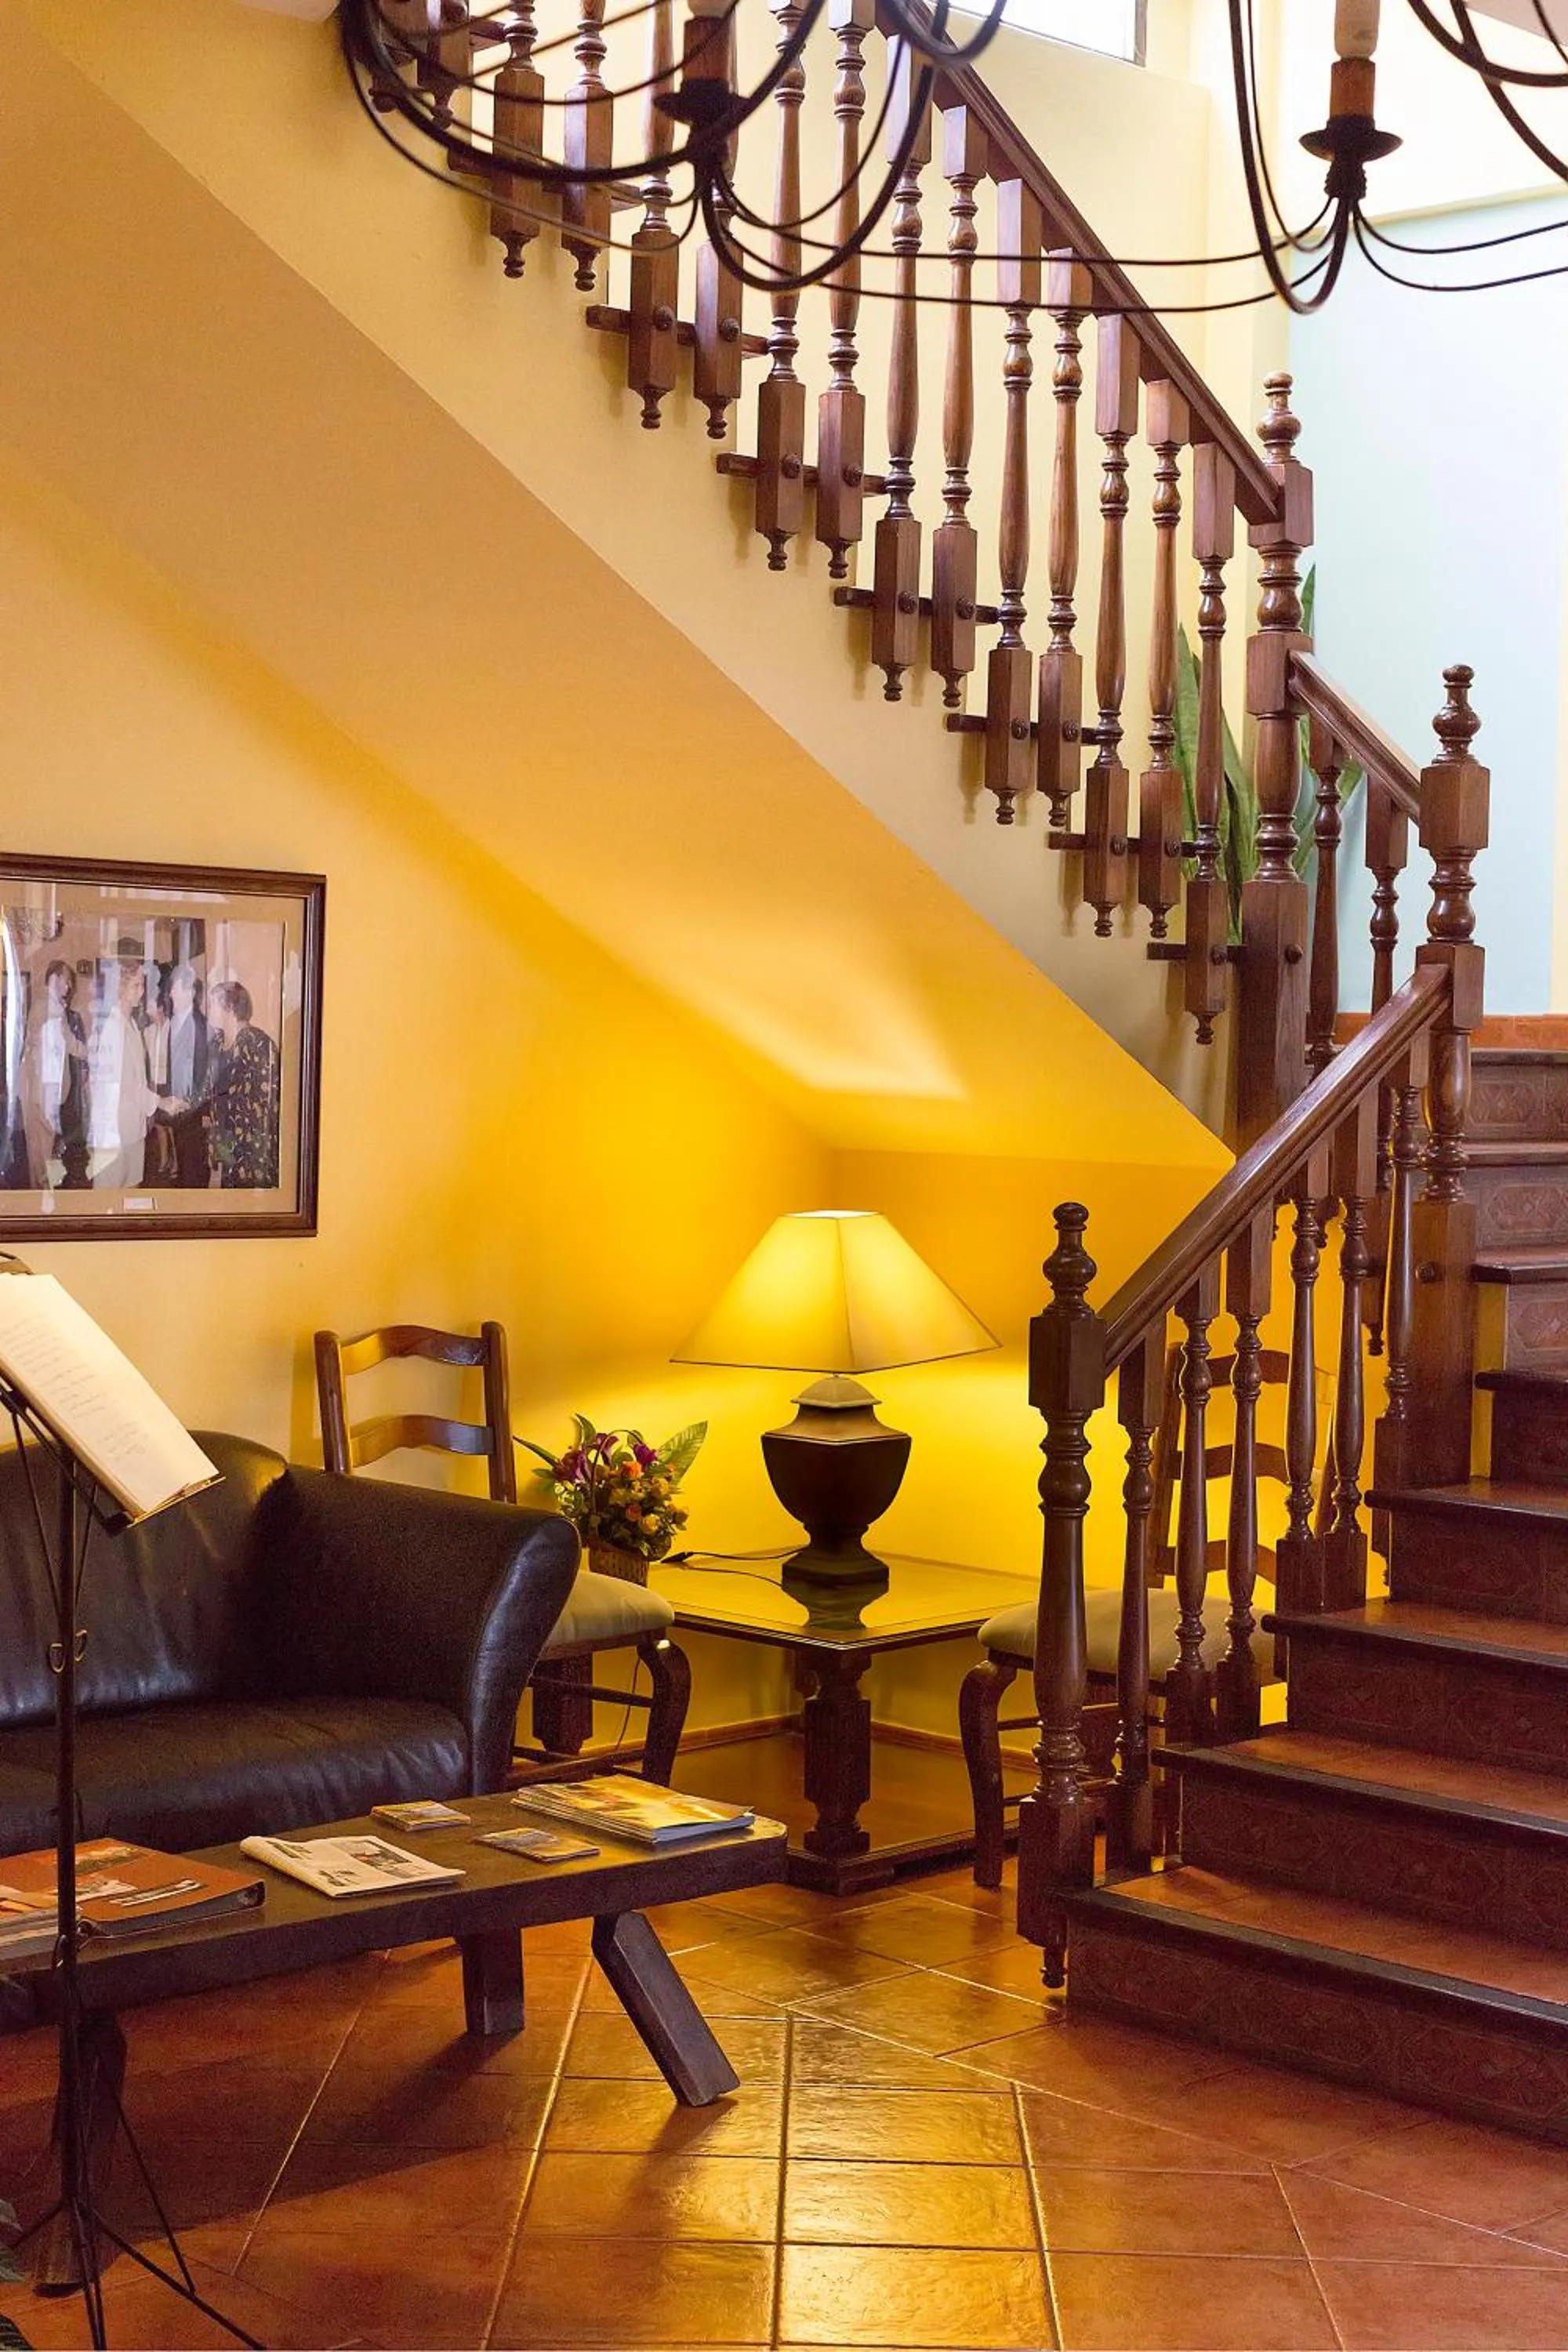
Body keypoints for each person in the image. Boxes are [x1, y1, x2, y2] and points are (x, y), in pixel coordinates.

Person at [88, 956, 158, 1190]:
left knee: (130, 1190)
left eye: (143, 985)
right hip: (114, 1130)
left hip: (130, 1126)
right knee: (110, 1199)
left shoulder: (131, 1025)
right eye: (136, 985)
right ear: (121, 988)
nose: (142, 991)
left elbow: (137, 1077)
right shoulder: (113, 1027)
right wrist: (161, 1103)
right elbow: (125, 1082)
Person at [20, 960, 89, 1189]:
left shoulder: (56, 1009)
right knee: (39, 1155)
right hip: (40, 1094)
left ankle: (42, 1200)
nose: (68, 987)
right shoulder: (44, 1008)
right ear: (54, 979)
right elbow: (35, 1044)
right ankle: (39, 1207)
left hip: (50, 1094)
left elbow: (71, 1044)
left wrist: (95, 1054)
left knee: (45, 1152)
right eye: (66, 981)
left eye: (69, 982)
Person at [203, 981, 280, 1189]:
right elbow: (215, 1097)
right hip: (224, 1137)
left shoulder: (257, 1043)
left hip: (251, 1144)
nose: (207, 1010)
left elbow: (269, 1103)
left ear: (229, 1008)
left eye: (212, 1004)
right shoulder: (217, 1042)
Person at [151, 963, 212, 1187]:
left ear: (189, 992)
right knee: (185, 1166)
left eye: (175, 988)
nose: (170, 993)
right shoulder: (175, 1021)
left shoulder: (200, 1025)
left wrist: (193, 1106)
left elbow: (205, 1073)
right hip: (179, 1111)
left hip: (193, 1113)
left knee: (194, 1169)